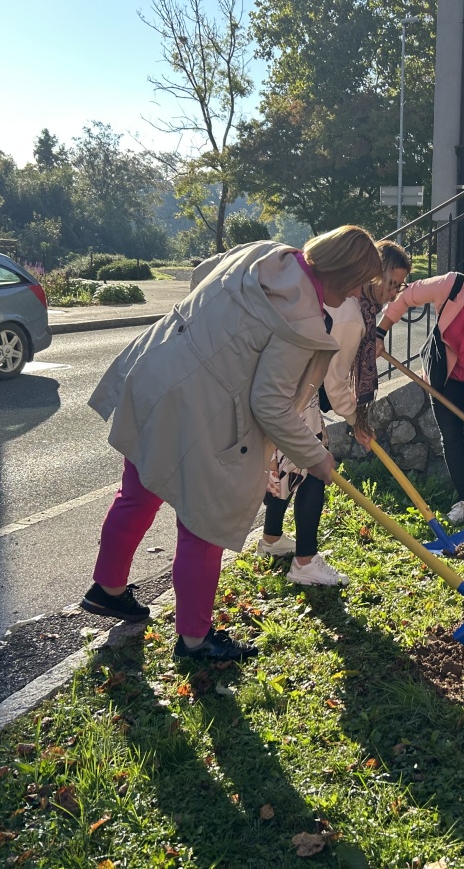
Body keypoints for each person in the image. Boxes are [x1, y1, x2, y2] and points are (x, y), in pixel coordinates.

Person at [80, 227, 382, 662]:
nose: (357, 292)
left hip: (158, 371)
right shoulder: (302, 320)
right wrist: (315, 457)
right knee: (204, 524)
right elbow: (271, 404)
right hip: (202, 407)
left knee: (139, 489)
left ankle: (108, 589)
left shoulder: (267, 254)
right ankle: (195, 639)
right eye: (357, 282)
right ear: (342, 273)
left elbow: (203, 273)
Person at [256, 241, 411, 583]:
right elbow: (335, 380)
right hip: (299, 395)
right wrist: (356, 420)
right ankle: (305, 562)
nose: (393, 292)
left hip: (286, 390)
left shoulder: (353, 307)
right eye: (390, 283)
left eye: (400, 286)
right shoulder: (352, 315)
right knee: (315, 469)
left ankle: (270, 539)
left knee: (286, 469)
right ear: (369, 276)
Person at [375, 253, 464, 542]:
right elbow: (405, 298)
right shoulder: (451, 285)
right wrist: (380, 332)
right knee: (451, 436)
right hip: (446, 372)